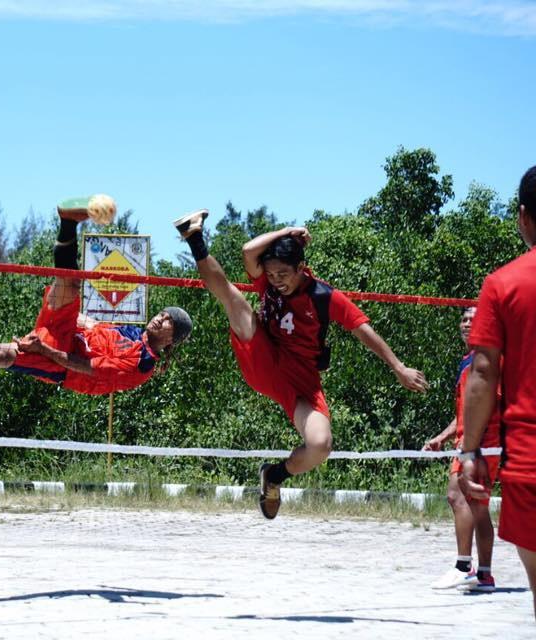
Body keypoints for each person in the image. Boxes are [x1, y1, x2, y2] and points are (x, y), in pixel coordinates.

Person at [173, 210, 428, 519]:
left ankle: (274, 476)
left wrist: (398, 367)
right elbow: (247, 251)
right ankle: (194, 237)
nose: (276, 281)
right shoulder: (268, 282)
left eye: (283, 274)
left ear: (301, 268)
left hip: (302, 378)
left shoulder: (324, 296)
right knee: (232, 297)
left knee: (320, 445)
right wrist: (287, 230)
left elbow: (363, 330)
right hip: (266, 355)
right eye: (271, 274)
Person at [0, 200, 193, 395]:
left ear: (171, 338)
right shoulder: (131, 332)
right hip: (69, 335)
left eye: (168, 321)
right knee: (69, 283)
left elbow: (83, 366)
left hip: (64, 363)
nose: (160, 317)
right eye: (163, 313)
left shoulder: (142, 365)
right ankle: (68, 222)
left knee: (7, 355)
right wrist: (65, 305)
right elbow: (92, 326)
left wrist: (43, 349)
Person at [460, 165, 536, 619]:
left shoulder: (503, 284)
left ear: (524, 216)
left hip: (531, 461)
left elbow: (483, 372)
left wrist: (470, 450)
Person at [422, 306, 499, 592]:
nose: (468, 324)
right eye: (464, 319)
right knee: (478, 507)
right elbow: (466, 411)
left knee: (457, 495)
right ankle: (485, 576)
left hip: (480, 443)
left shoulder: (485, 359)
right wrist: (442, 437)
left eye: (474, 320)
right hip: (475, 441)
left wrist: (471, 448)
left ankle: (463, 567)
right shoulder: (470, 360)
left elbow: (486, 406)